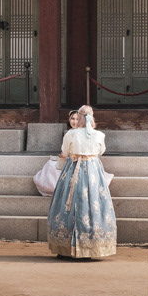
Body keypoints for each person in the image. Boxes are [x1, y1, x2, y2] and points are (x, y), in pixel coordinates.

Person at [47, 104, 116, 260]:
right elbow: (100, 152)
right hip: (93, 172)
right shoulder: (99, 135)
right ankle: (90, 248)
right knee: (92, 204)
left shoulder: (71, 134)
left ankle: (65, 248)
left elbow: (65, 152)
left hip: (74, 168)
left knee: (68, 204)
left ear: (79, 117)